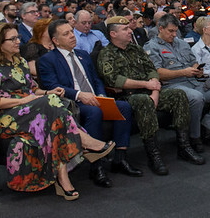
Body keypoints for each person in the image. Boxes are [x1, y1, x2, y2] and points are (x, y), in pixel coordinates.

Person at [0, 23, 114, 200]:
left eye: (18, 37)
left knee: (54, 112)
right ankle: (85, 142)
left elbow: (33, 89)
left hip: (32, 112)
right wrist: (23, 101)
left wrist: (48, 92)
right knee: (51, 107)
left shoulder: (20, 62)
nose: (18, 41)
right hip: (8, 118)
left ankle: (63, 178)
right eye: (12, 39)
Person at [98, 16, 204, 176]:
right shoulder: (106, 54)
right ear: (113, 34)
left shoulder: (136, 49)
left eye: (129, 28)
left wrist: (154, 91)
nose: (130, 31)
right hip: (128, 96)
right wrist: (146, 85)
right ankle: (154, 155)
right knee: (144, 101)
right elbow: (114, 80)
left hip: (150, 91)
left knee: (178, 94)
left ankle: (184, 146)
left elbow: (152, 70)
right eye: (125, 29)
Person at [38, 19, 138, 187]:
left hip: (95, 98)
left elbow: (96, 79)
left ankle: (120, 158)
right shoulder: (48, 60)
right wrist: (79, 95)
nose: (72, 36)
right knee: (94, 112)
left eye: (71, 31)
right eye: (66, 34)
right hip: (72, 103)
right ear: (56, 40)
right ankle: (96, 166)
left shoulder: (83, 54)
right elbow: (52, 86)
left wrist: (101, 95)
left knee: (124, 107)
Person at [144, 14, 210, 149]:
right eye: (170, 31)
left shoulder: (182, 43)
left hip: (194, 82)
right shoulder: (152, 47)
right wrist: (183, 72)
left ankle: (208, 128)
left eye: (176, 31)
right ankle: (194, 137)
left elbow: (194, 62)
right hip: (173, 86)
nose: (174, 34)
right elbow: (157, 73)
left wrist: (198, 69)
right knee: (196, 98)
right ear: (160, 29)